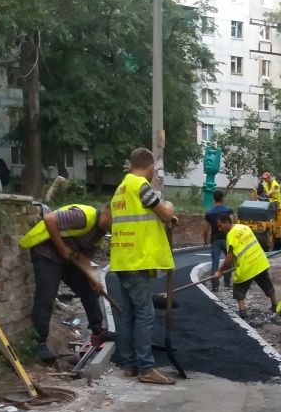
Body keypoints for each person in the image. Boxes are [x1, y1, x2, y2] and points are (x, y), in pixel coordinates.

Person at [110, 147, 178, 385]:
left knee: (129, 314)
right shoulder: (141, 186)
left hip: (122, 259)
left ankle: (129, 363)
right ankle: (146, 368)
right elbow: (164, 213)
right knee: (145, 314)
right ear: (150, 168)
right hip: (137, 260)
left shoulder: (121, 189)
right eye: (154, 171)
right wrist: (169, 209)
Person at [19, 201, 112, 362]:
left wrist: (92, 278)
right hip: (47, 254)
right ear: (110, 215)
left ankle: (98, 331)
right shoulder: (84, 216)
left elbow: (83, 257)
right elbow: (49, 219)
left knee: (89, 291)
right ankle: (40, 342)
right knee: (46, 296)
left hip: (68, 259)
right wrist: (61, 247)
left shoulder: (99, 235)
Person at [213, 214, 277, 319]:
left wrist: (220, 271)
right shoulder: (243, 227)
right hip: (259, 261)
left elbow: (229, 257)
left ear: (228, 222)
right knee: (267, 284)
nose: (219, 229)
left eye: (220, 226)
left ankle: (242, 311)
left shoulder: (231, 236)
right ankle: (275, 305)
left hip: (247, 266)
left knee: (238, 288)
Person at [202, 190, 232, 293]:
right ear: (223, 198)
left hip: (215, 239)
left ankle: (215, 286)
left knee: (215, 261)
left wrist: (205, 240)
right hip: (227, 238)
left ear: (214, 199)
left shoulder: (209, 213)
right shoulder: (228, 211)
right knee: (229, 259)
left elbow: (205, 229)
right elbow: (233, 224)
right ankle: (227, 282)